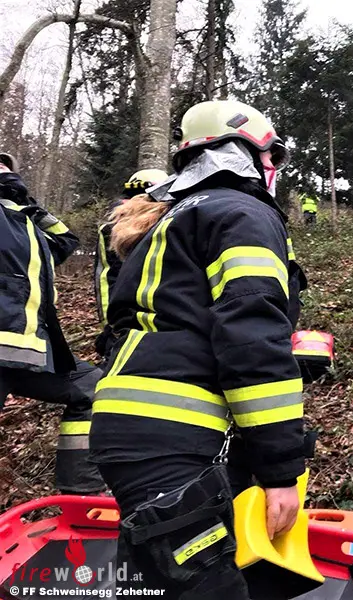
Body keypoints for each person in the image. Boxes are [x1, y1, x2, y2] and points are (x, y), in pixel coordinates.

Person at [88, 100, 314, 599]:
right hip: (178, 432)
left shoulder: (170, 219)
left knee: (156, 580)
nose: (274, 168)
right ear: (244, 152)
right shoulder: (242, 214)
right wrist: (280, 470)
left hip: (141, 427)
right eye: (272, 155)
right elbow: (251, 334)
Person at [0, 152, 104, 493]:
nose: (2, 169)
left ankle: (81, 493)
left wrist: (28, 203)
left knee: (91, 386)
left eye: (6, 166)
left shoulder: (26, 225)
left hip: (25, 353)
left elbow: (66, 241)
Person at [94, 169, 168, 363]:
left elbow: (105, 279)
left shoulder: (111, 226)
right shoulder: (170, 220)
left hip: (130, 319)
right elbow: (106, 278)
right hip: (161, 318)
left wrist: (109, 324)